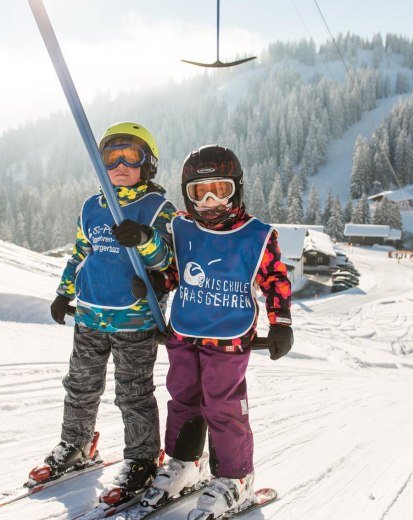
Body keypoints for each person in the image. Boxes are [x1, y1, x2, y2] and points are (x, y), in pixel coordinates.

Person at [30, 122, 178, 504]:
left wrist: (143, 239)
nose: (121, 164)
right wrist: (64, 293)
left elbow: (167, 262)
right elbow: (81, 253)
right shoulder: (92, 207)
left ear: (149, 164)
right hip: (91, 316)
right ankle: (76, 444)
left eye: (132, 156)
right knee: (80, 387)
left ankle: (143, 458)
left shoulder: (158, 208)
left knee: (133, 394)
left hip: (135, 320)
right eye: (112, 156)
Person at [143, 145, 293, 519]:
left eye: (220, 190)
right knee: (182, 399)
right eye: (199, 191)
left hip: (228, 338)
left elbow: (275, 279)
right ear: (186, 193)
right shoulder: (183, 228)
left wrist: (281, 323)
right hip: (184, 332)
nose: (210, 201)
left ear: (237, 189)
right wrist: (155, 281)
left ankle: (236, 478)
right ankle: (185, 463)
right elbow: (174, 271)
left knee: (223, 406)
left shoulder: (256, 235)